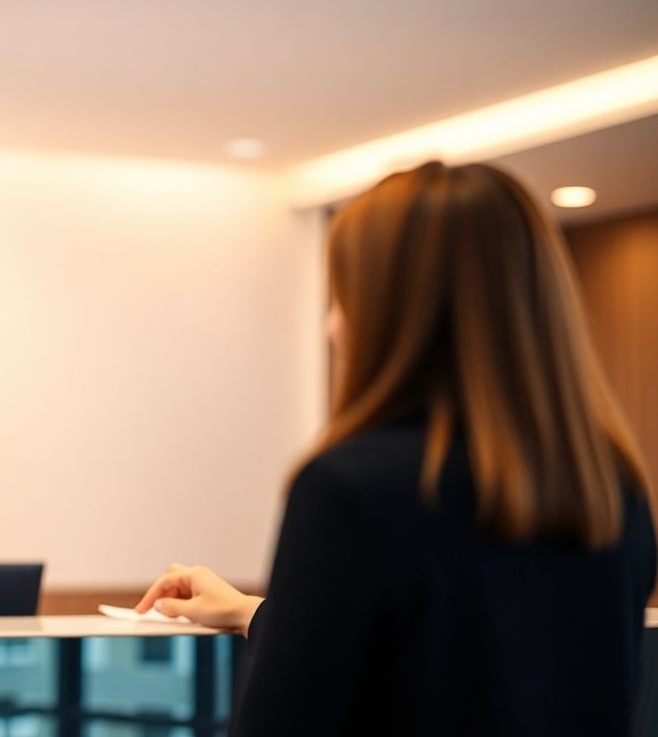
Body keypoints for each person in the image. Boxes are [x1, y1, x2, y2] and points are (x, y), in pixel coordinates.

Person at [137, 161, 655, 736]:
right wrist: (252, 613)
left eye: (342, 298)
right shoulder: (613, 492)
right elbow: (471, 664)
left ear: (391, 313)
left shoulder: (350, 490)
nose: (332, 327)